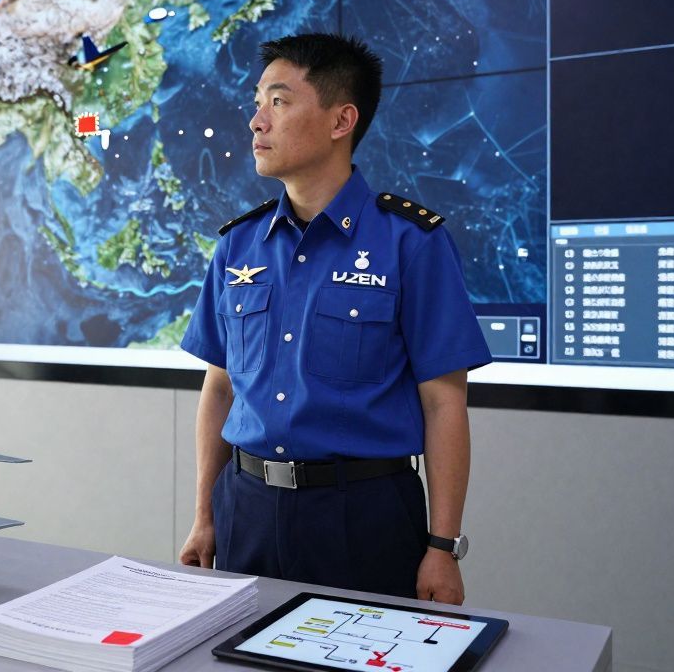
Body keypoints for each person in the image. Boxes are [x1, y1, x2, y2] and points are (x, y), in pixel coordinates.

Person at [177, 33, 491, 604]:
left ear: (341, 120)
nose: (256, 122)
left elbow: (444, 403)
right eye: (257, 102)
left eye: (278, 101)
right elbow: (219, 389)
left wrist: (442, 547)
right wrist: (205, 516)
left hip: (361, 515)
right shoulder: (237, 246)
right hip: (244, 505)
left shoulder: (410, 243)